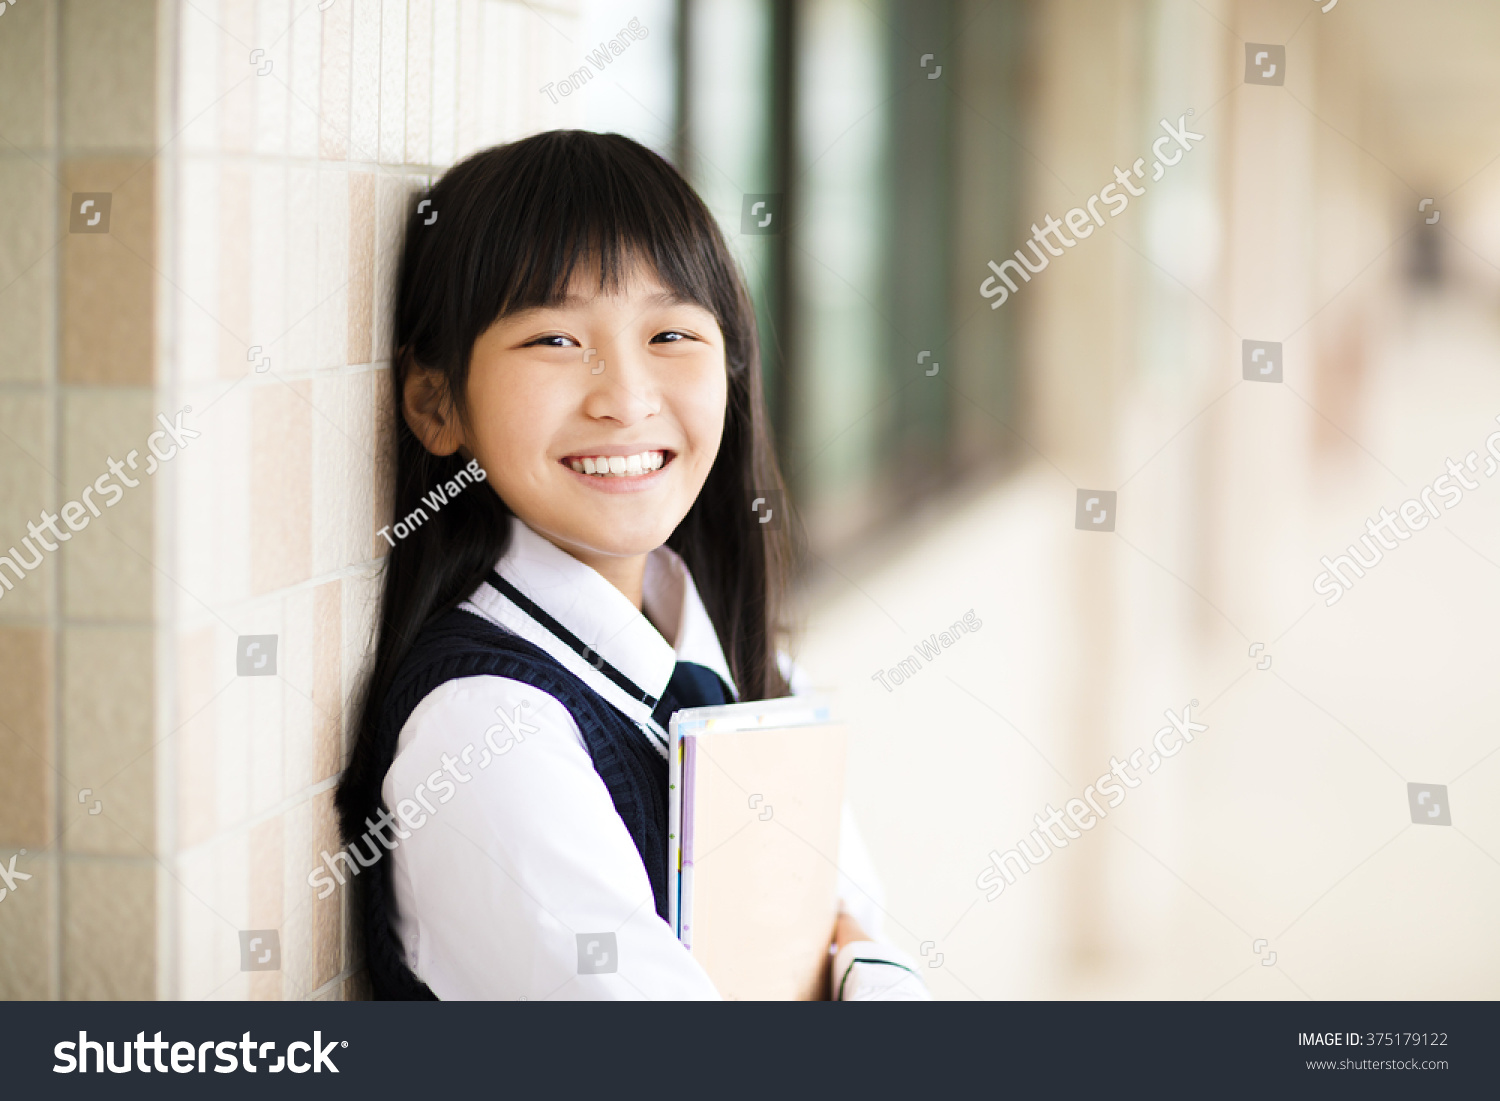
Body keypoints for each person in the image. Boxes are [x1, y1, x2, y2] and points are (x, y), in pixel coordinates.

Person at [335, 130, 927, 1001]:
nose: (625, 397)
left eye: (670, 333)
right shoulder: (487, 730)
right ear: (436, 403)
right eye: (553, 340)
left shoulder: (750, 668)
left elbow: (865, 941)